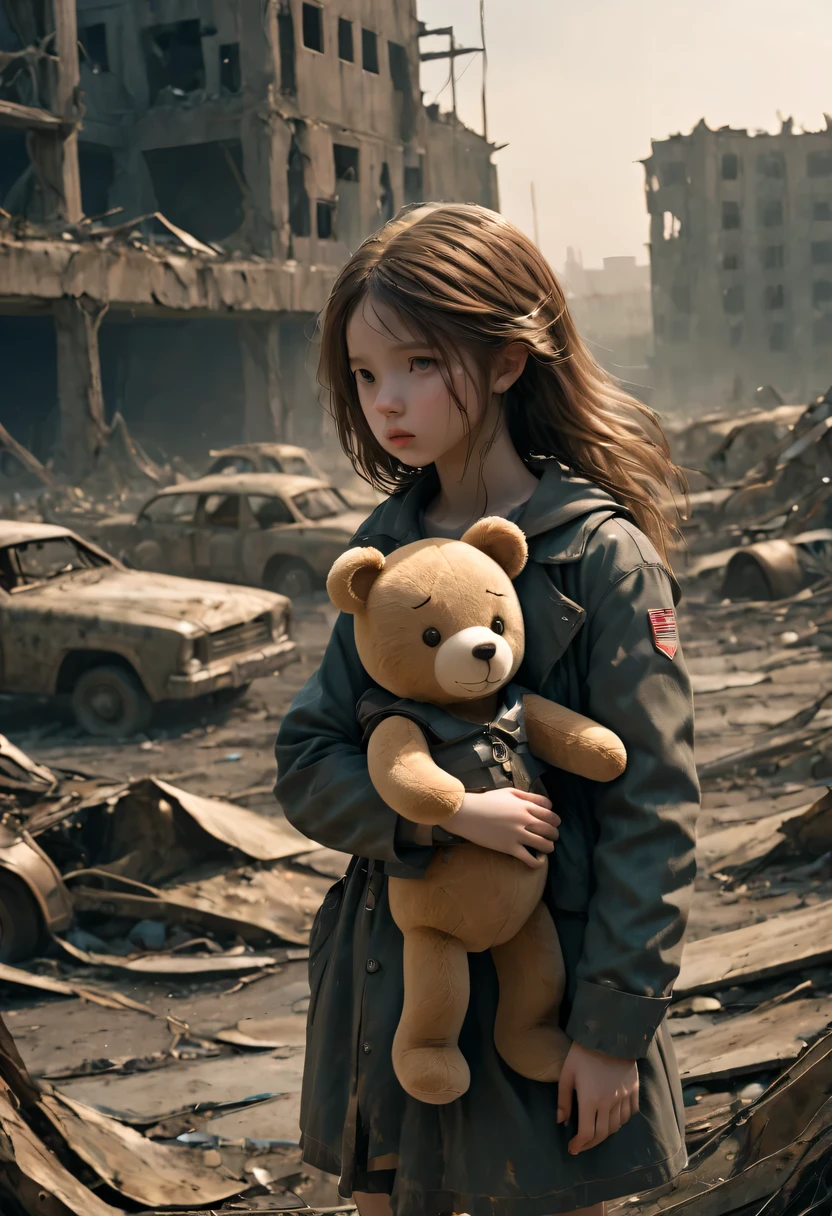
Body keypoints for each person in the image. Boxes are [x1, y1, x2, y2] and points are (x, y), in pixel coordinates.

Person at [274, 203, 699, 1216]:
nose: (389, 401)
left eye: (418, 363)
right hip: (397, 993)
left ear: (506, 362)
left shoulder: (598, 558)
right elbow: (309, 755)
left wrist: (609, 1029)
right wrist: (432, 813)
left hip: (544, 991)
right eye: (366, 375)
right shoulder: (386, 561)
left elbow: (655, 806)